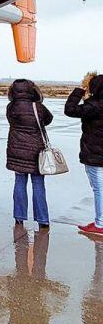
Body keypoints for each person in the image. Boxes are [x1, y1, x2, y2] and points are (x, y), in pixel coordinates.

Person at [6, 79, 53, 228]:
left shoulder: (11, 107)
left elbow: (10, 121)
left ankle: (19, 217)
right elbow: (49, 119)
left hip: (17, 151)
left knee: (19, 182)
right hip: (36, 152)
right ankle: (43, 219)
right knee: (38, 184)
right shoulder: (38, 107)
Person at [65, 72, 103, 236]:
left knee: (99, 189)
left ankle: (100, 224)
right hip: (97, 153)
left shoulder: (95, 106)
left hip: (95, 154)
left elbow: (70, 110)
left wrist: (79, 91)